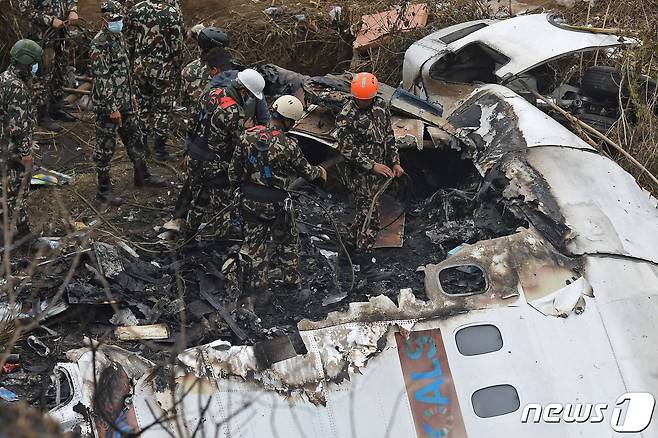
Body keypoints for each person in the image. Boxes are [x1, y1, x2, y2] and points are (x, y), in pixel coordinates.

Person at [228, 95, 326, 309]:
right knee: (287, 242)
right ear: (289, 121)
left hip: (250, 203)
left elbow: (233, 173)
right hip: (278, 206)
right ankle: (291, 286)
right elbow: (307, 173)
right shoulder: (289, 145)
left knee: (255, 246)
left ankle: (259, 290)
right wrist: (320, 171)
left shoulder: (247, 137)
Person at [183, 47, 266, 241]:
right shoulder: (234, 112)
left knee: (198, 200)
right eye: (249, 95)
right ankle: (221, 243)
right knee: (224, 206)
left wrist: (187, 151)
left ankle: (188, 235)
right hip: (214, 164)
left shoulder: (210, 94)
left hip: (195, 156)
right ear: (243, 90)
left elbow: (193, 124)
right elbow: (240, 144)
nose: (249, 99)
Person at [90, 0, 166, 206]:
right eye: (114, 19)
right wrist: (112, 108)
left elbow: (126, 70)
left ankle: (142, 176)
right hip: (108, 106)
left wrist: (132, 96)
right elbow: (102, 78)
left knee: (135, 139)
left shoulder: (120, 37)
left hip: (126, 101)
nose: (118, 22)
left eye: (120, 19)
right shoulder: (99, 44)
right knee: (105, 148)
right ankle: (103, 190)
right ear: (104, 20)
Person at [335, 72, 404, 252]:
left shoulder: (380, 105)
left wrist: (395, 162)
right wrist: (371, 166)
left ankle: (348, 246)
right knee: (370, 218)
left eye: (366, 100)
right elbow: (346, 148)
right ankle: (365, 260)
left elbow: (388, 135)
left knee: (365, 212)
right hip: (359, 175)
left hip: (379, 173)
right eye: (359, 100)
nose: (363, 103)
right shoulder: (346, 116)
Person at [126, 0, 184, 161]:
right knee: (162, 110)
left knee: (142, 106)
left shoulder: (136, 9)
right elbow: (176, 45)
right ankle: (159, 150)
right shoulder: (172, 13)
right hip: (162, 71)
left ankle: (142, 145)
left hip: (140, 68)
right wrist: (178, 65)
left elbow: (129, 39)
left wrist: (133, 60)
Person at [0, 39, 43, 242]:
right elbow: (18, 127)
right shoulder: (17, 88)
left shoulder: (4, 78)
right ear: (26, 63)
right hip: (11, 149)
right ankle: (25, 236)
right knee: (19, 190)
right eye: (34, 62)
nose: (36, 66)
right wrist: (25, 154)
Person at [18, 0, 79, 132]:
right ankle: (42, 115)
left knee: (59, 72)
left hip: (61, 36)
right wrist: (50, 20)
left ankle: (56, 108)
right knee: (42, 77)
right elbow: (26, 10)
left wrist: (72, 9)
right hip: (42, 38)